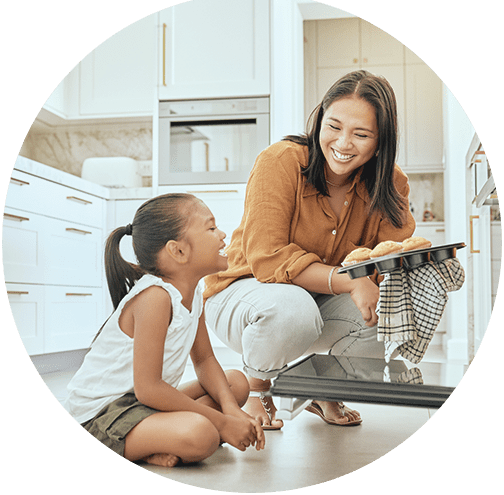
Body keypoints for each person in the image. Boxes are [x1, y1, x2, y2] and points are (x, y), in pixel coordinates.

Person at [204, 70, 416, 429]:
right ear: (319, 119)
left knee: (393, 310)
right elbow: (268, 259)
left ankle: (323, 386)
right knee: (292, 309)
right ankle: (257, 389)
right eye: (333, 126)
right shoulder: (282, 160)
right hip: (245, 295)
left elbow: (391, 258)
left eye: (361, 134)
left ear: (380, 142)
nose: (343, 143)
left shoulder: (391, 183)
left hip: (317, 302)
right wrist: (350, 280)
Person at [63, 193, 265, 467]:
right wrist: (222, 422)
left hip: (138, 405)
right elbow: (148, 389)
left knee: (235, 384)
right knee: (202, 434)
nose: (223, 235)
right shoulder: (155, 298)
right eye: (211, 227)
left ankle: (155, 440)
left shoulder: (194, 294)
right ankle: (147, 445)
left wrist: (230, 410)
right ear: (178, 251)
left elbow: (204, 360)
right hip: (100, 417)